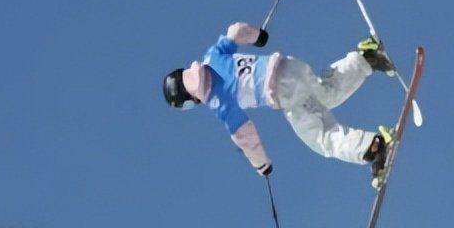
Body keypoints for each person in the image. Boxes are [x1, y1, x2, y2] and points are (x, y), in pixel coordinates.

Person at [162, 23, 398, 187]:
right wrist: (258, 36)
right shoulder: (212, 56)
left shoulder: (216, 98)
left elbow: (246, 135)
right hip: (289, 65)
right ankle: (367, 59)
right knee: (326, 93)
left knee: (321, 138)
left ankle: (374, 148)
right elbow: (236, 32)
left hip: (283, 92)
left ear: (188, 97)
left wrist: (261, 164)